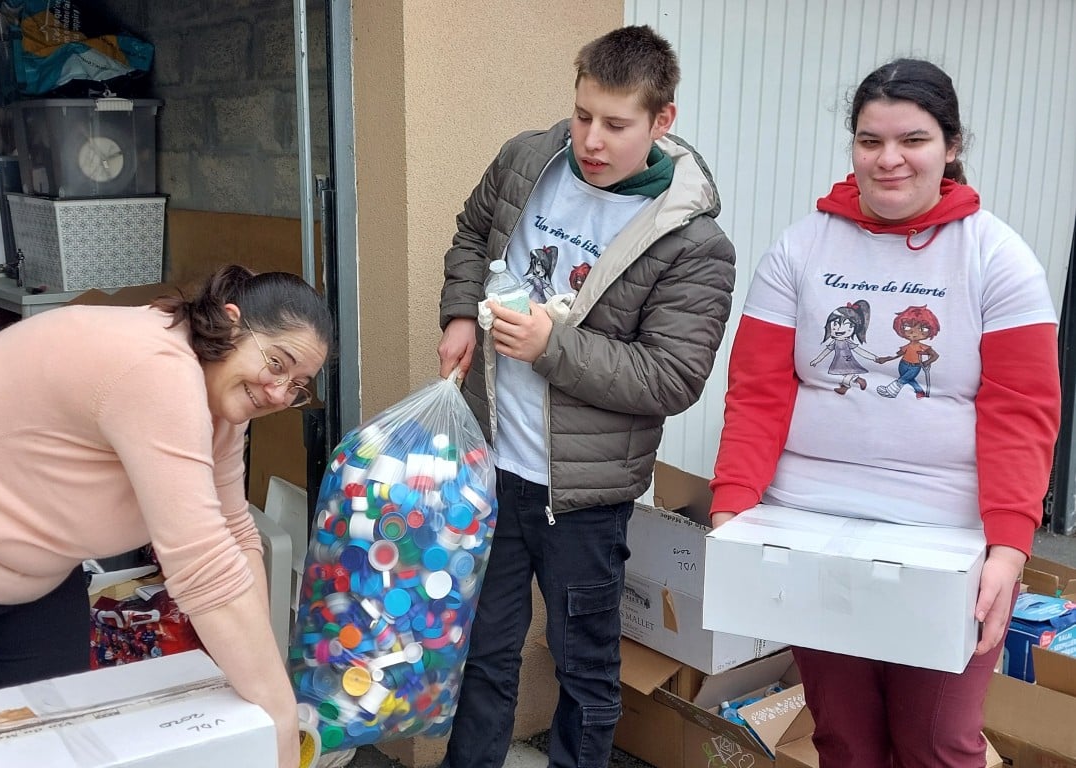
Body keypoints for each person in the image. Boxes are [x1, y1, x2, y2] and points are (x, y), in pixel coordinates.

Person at [0, 265, 331, 768]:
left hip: (34, 567)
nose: (280, 393)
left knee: (59, 747)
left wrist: (264, 678)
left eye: (299, 386)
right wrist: (279, 718)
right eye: (279, 364)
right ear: (232, 322)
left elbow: (234, 531)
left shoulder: (222, 403)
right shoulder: (158, 369)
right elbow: (202, 564)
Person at [708, 58, 1061, 768]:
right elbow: (758, 391)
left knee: (937, 740)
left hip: (946, 540)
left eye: (914, 140)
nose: (889, 159)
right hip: (807, 527)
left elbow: (1022, 411)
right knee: (843, 736)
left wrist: (1009, 547)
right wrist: (732, 512)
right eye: (869, 141)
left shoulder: (998, 257)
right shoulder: (801, 247)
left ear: (952, 146)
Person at [436, 25, 735, 768]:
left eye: (615, 124)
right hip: (491, 467)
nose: (590, 141)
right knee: (484, 653)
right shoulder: (528, 159)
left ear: (662, 121)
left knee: (586, 672)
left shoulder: (693, 243)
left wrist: (550, 348)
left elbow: (672, 377)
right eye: (582, 115)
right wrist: (455, 313)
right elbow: (472, 234)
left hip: (584, 500)